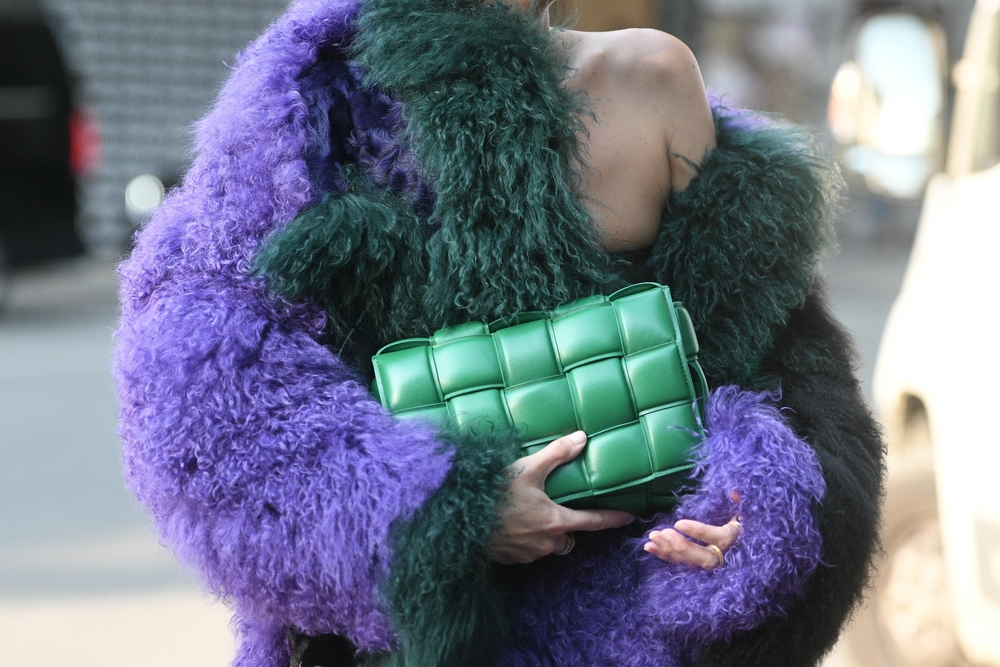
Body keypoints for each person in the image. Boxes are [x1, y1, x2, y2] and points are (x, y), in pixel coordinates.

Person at [113, 0, 884, 666]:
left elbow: (784, 372)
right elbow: (201, 397)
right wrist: (443, 510)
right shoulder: (317, 97)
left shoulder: (653, 76)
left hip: (639, 625)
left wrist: (755, 511)